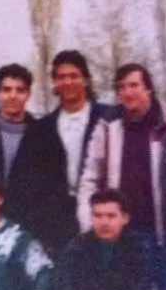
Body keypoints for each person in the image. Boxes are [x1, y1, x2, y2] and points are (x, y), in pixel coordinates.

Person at [78, 63, 166, 290]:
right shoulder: (108, 124)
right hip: (123, 239)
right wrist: (88, 222)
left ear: (148, 88)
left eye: (133, 85)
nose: (127, 92)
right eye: (121, 87)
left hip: (164, 237)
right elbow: (90, 176)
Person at [25, 51, 114, 258]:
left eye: (74, 76)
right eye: (61, 77)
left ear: (85, 80)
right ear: (55, 83)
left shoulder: (108, 118)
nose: (68, 82)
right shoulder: (42, 128)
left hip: (101, 212)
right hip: (58, 220)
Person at [0, 63, 40, 227]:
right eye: (6, 90)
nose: (13, 96)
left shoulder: (42, 136)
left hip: (28, 223)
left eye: (20, 90)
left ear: (28, 94)